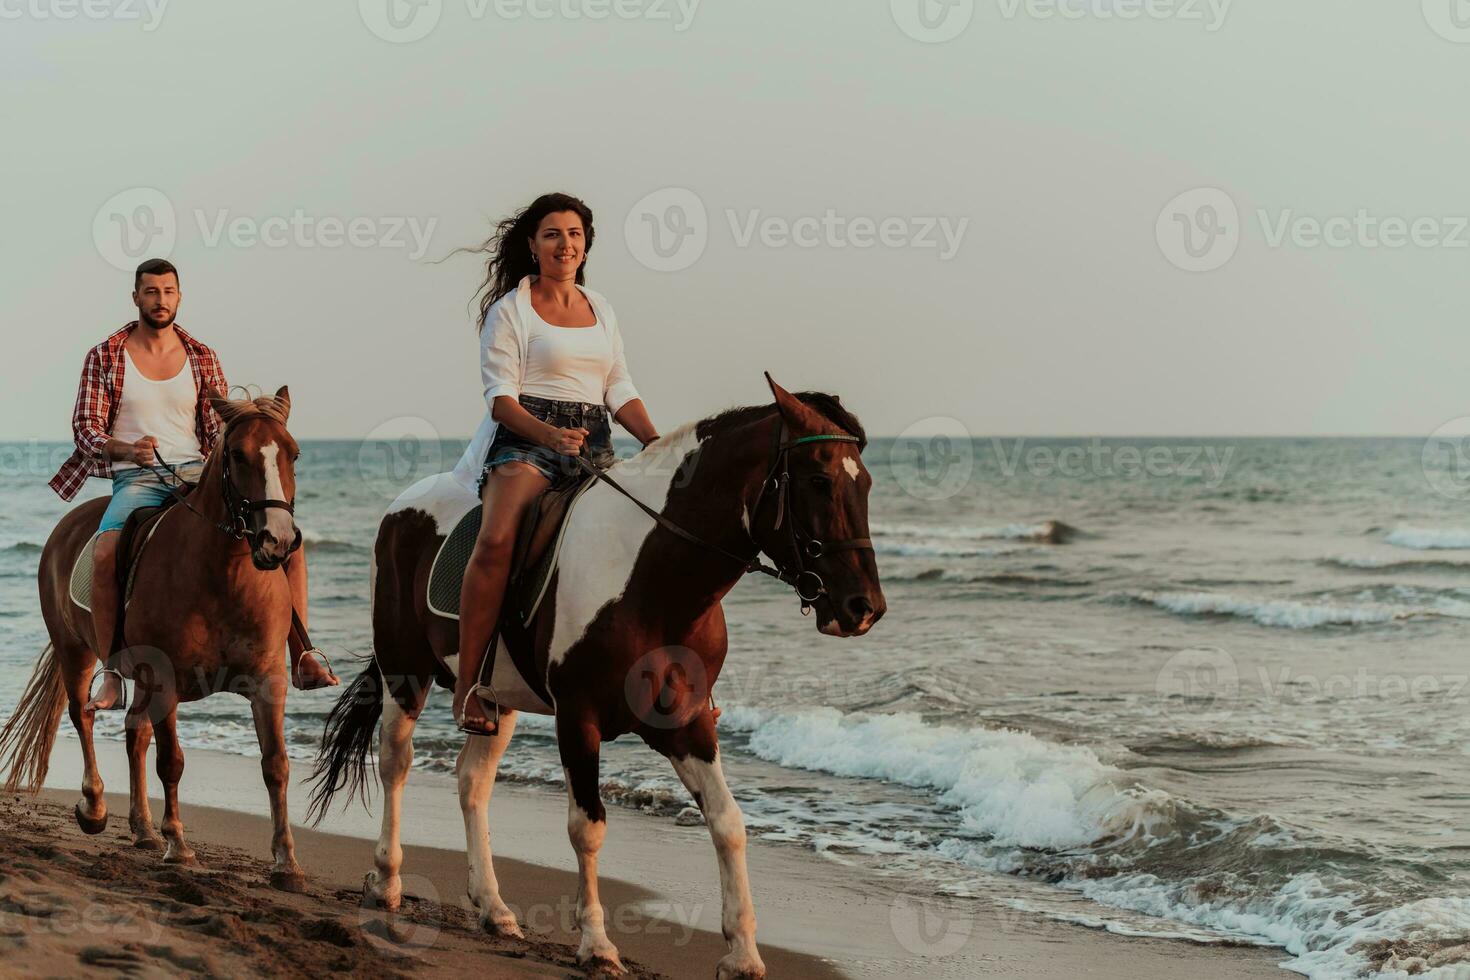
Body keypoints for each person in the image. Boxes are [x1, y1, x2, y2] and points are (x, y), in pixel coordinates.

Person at [48, 258, 337, 712]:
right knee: (106, 550)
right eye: (150, 291)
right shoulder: (105, 355)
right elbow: (86, 427)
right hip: (138, 478)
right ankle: (110, 670)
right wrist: (126, 450)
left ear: (178, 297)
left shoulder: (202, 356)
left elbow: (218, 427)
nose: (160, 300)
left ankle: (302, 652)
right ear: (136, 298)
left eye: (168, 291)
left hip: (196, 473)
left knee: (288, 543)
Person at [449, 193, 660, 736]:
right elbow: (502, 401)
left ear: (585, 243)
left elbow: (618, 386)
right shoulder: (511, 311)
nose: (565, 244)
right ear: (533, 245)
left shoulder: (601, 309)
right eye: (552, 234)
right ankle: (468, 685)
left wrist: (655, 441)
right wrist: (549, 436)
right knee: (496, 539)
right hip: (526, 439)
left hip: (595, 438)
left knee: (652, 534)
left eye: (574, 234)